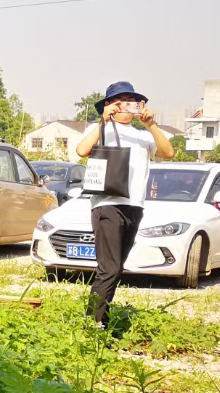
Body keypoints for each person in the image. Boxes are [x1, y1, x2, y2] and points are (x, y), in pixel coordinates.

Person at [74, 80, 174, 326]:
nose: (127, 105)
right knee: (109, 268)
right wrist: (103, 120)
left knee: (116, 268)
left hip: (134, 206)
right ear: (109, 104)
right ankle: (94, 324)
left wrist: (151, 125)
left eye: (132, 101)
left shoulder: (143, 136)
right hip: (107, 203)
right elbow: (82, 150)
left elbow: (168, 153)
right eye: (121, 101)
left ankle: (100, 320)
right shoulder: (100, 128)